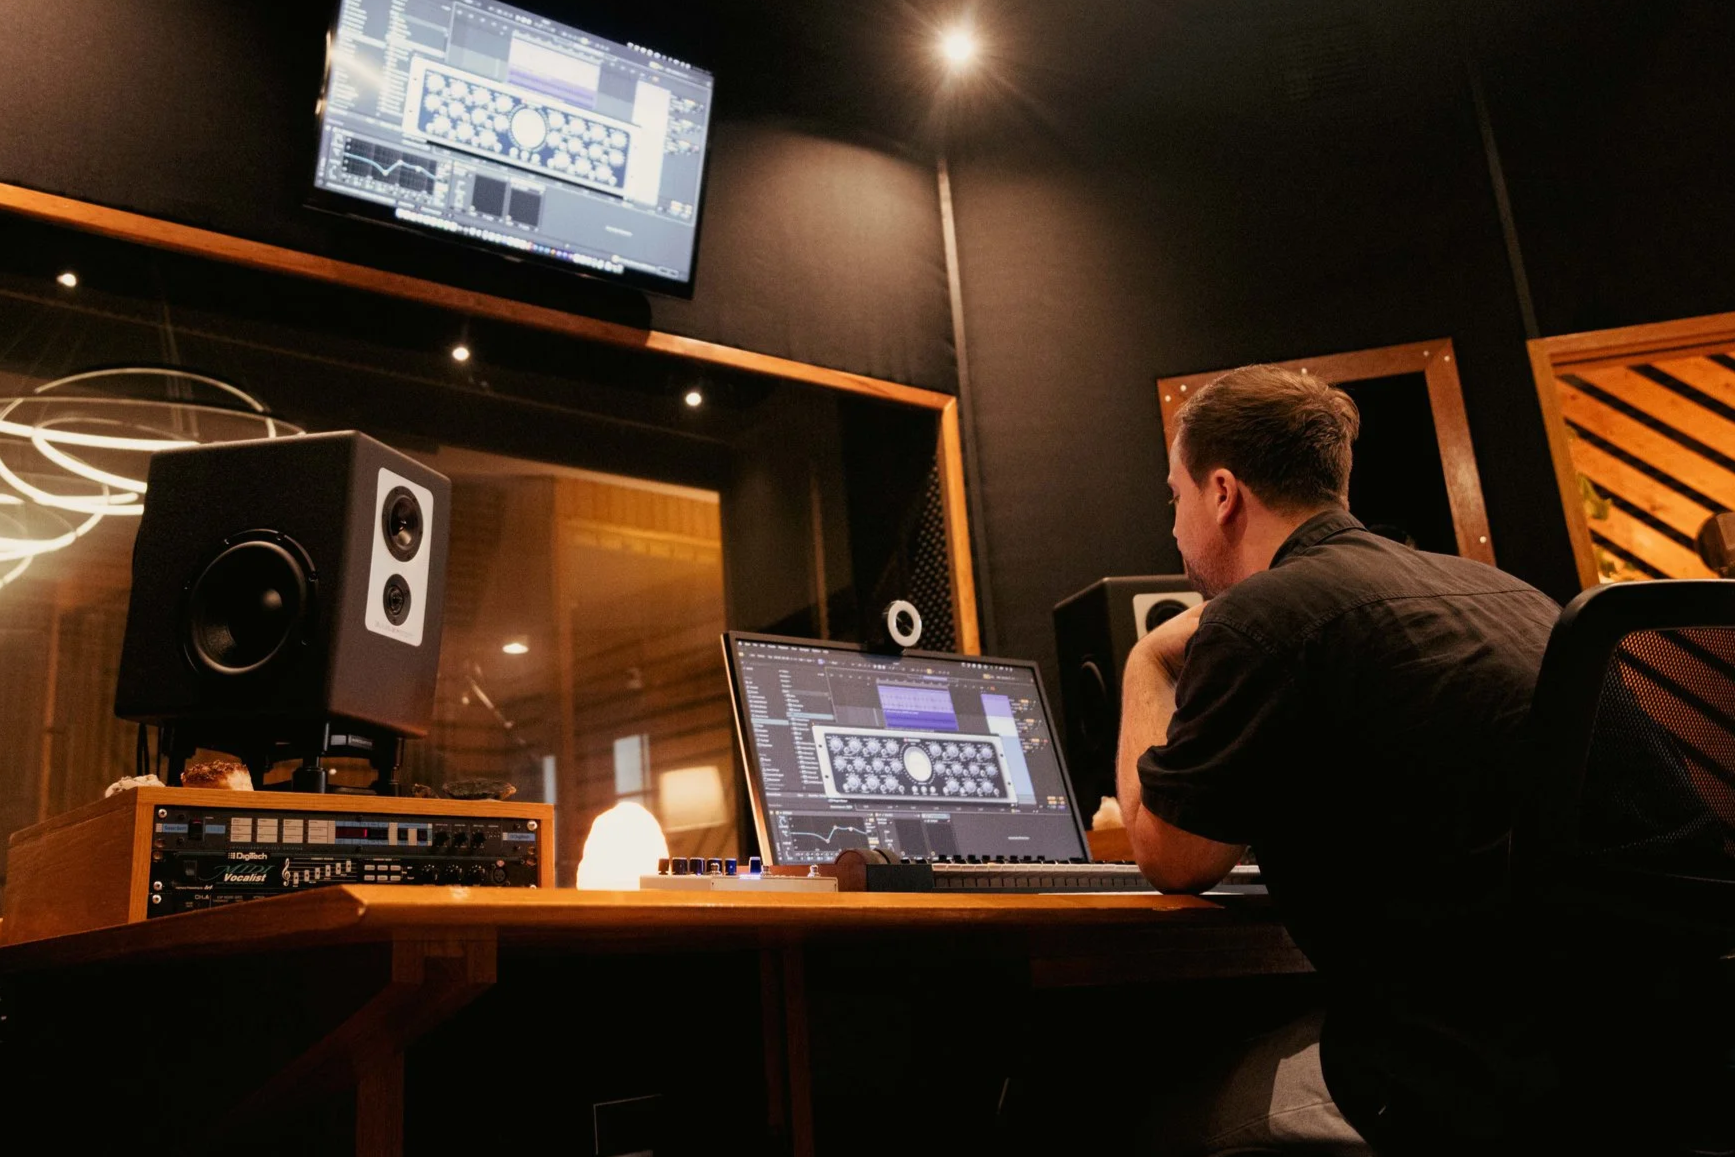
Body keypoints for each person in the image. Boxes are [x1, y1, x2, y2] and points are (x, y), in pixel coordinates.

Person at [1117, 365, 1566, 1154]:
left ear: (1221, 493)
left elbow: (1173, 855)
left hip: (1445, 1073)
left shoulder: (1262, 617)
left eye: (1173, 498)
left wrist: (1145, 660)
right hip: (1611, 1047)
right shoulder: (1513, 596)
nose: (1175, 528)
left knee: (1128, 1115)